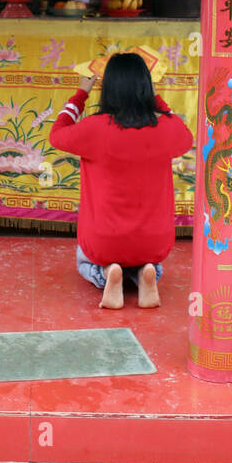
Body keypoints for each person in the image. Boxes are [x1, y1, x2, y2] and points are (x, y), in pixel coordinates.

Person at [49, 52, 194, 309]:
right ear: (146, 87)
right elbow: (184, 133)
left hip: (103, 241)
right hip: (154, 241)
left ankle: (106, 274)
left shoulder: (93, 128)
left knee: (86, 259)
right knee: (150, 259)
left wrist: (81, 94)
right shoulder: (165, 129)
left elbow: (57, 133)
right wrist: (156, 97)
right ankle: (146, 272)